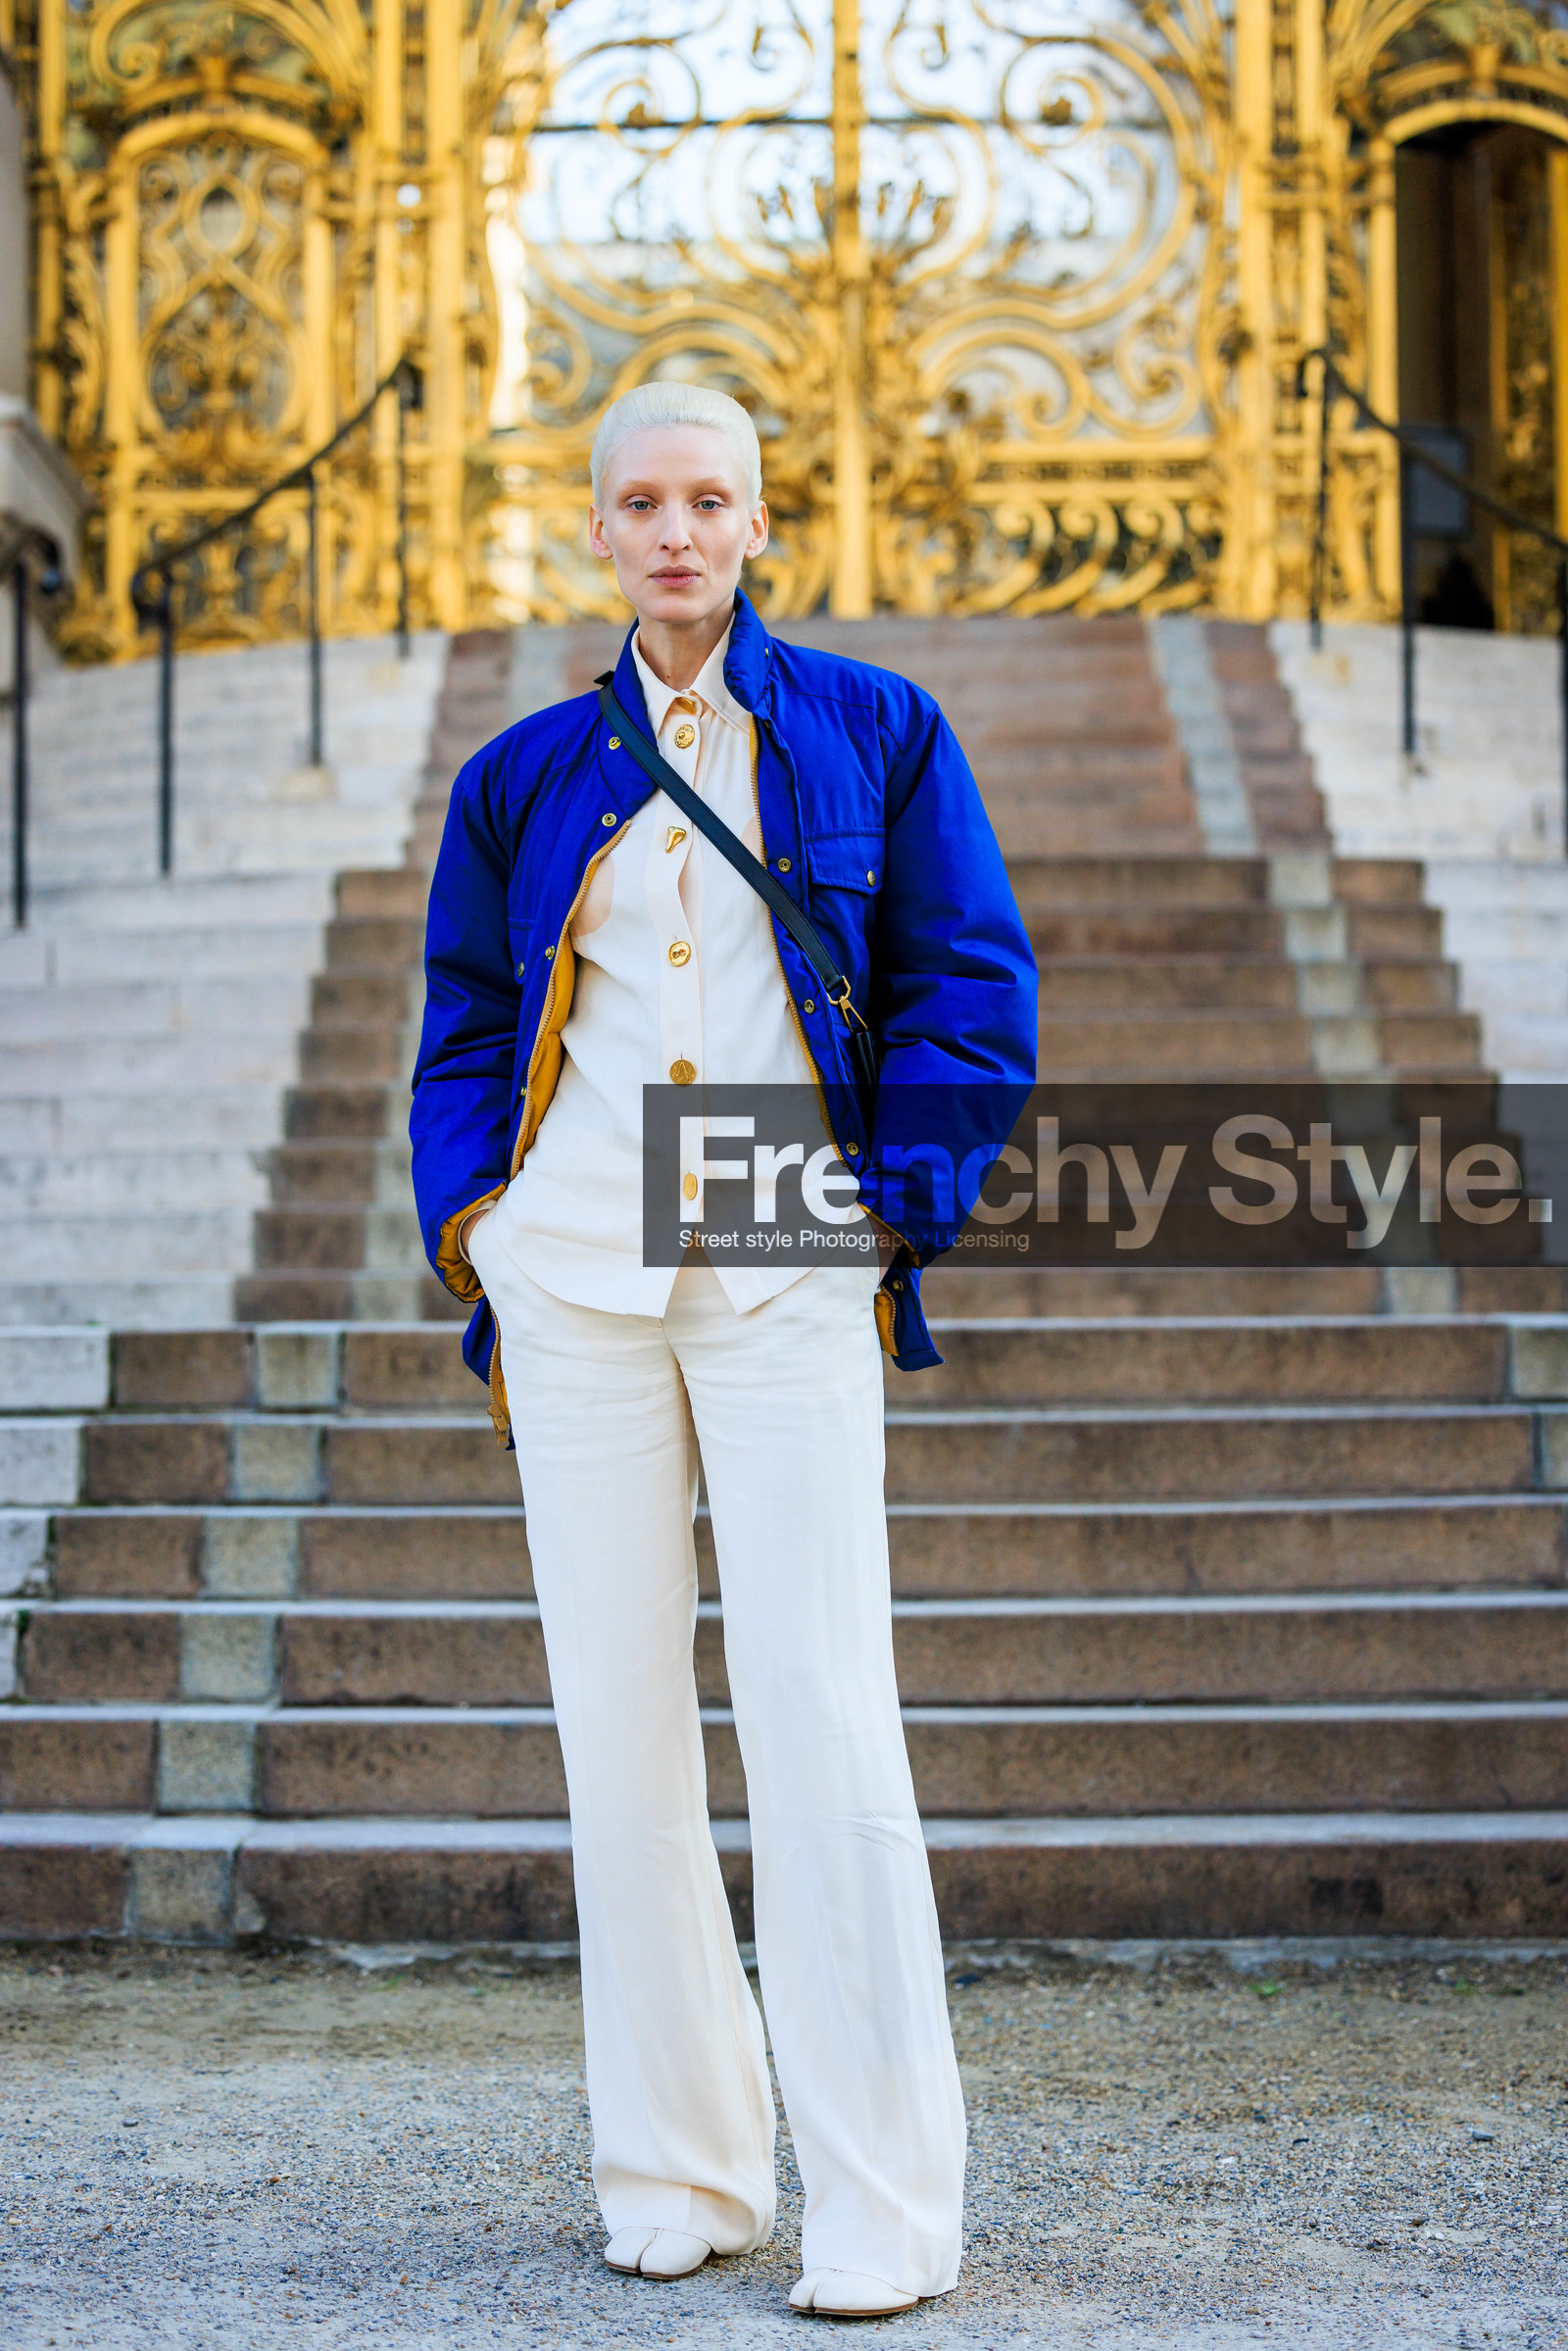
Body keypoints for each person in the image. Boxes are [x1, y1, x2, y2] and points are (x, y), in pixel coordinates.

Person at [410, 382, 1036, 2318]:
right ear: (597, 529)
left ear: (759, 523)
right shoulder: (521, 771)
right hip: (575, 1255)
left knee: (819, 1708)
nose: (675, 532)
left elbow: (967, 981)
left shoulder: (872, 727)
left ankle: (879, 2204)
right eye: (641, 502)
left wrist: (891, 1201)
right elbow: (462, 1019)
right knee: (616, 1728)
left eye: (708, 501)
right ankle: (678, 2169)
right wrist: (481, 1228)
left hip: (779, 1217)